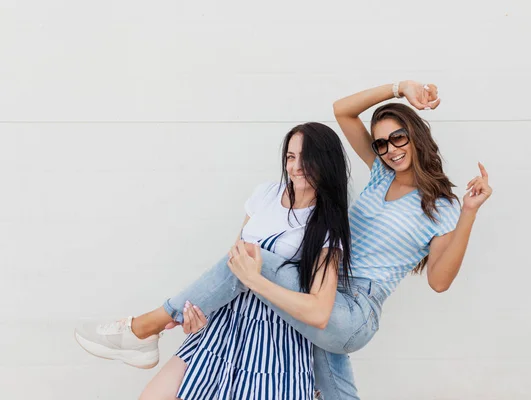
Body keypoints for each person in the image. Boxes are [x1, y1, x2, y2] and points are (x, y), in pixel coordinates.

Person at [77, 80, 492, 399]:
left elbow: (439, 281)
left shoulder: (442, 208)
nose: (389, 149)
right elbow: (342, 112)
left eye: (398, 137)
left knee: (248, 258)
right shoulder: (382, 172)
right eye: (381, 142)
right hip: (321, 285)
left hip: (353, 309)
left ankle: (144, 328)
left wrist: (469, 213)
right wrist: (401, 87)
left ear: (416, 136)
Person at [76, 122, 352, 399]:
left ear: (326, 160)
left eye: (306, 157)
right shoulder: (266, 194)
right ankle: (149, 326)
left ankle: (145, 328)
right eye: (291, 157)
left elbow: (318, 312)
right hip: (226, 323)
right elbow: (230, 265)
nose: (296, 167)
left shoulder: (328, 224)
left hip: (276, 338)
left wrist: (254, 280)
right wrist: (201, 312)